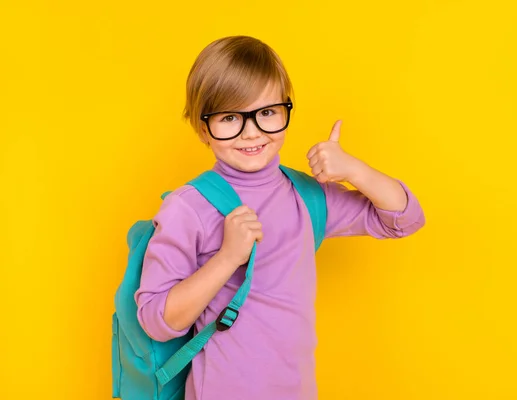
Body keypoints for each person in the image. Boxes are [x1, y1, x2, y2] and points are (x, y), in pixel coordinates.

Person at [134, 35, 426, 400]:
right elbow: (156, 320)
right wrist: (227, 258)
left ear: (287, 109)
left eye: (267, 112)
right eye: (229, 118)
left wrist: (355, 170)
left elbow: (403, 218)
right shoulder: (188, 207)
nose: (252, 131)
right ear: (201, 127)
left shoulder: (305, 195)